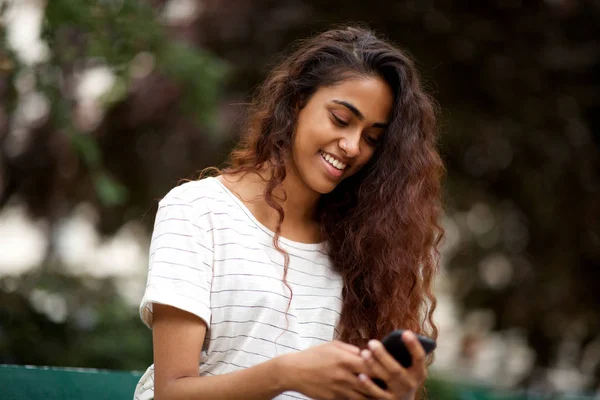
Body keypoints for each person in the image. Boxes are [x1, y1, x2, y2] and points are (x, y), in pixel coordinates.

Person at [134, 26, 444, 400]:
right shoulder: (197, 212)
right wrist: (285, 374)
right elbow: (171, 392)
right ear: (298, 101)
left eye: (371, 138)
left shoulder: (363, 246)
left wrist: (398, 393)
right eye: (341, 120)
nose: (351, 146)